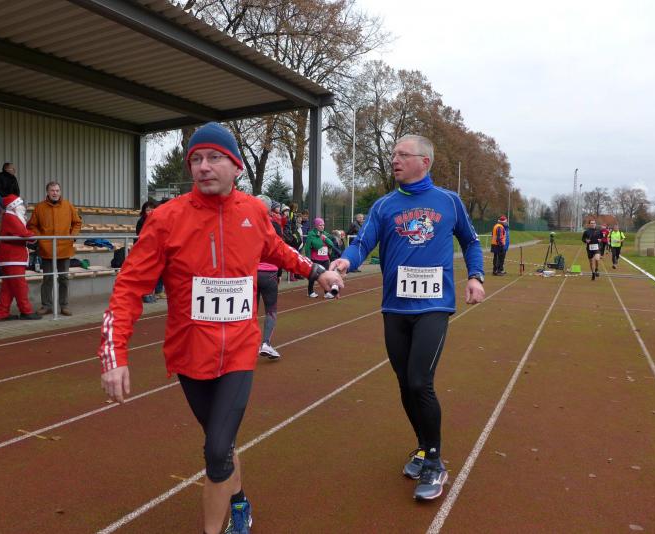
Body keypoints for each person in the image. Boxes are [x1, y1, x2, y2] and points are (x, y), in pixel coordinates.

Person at [97, 122, 343, 534]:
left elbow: (276, 249)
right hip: (190, 353)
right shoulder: (165, 219)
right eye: (195, 159)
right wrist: (114, 354)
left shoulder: (253, 211)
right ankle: (240, 501)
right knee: (222, 444)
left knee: (215, 451)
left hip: (240, 351)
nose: (203, 166)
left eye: (214, 157)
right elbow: (128, 288)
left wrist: (316, 271)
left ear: (237, 166)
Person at [330, 134, 485, 501]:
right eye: (393, 154)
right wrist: (346, 261)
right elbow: (362, 243)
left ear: (423, 162)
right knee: (404, 383)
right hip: (395, 307)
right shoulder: (384, 206)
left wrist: (476, 277)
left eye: (402, 154)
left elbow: (471, 241)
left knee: (420, 382)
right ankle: (422, 446)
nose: (394, 160)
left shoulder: (449, 201)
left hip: (433, 306)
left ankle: (435, 461)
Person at [27, 181, 82, 316]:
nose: (55, 193)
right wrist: (41, 239)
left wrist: (72, 236)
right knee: (47, 279)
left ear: (60, 192)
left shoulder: (68, 206)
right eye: (52, 190)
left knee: (64, 278)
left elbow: (77, 222)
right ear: (47, 192)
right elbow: (32, 225)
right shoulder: (39, 207)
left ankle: (64, 305)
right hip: (47, 249)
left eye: (57, 190)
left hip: (65, 248)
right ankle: (46, 305)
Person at [0, 195, 41, 321]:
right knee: (20, 286)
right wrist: (34, 237)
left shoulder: (10, 216)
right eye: (21, 205)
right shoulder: (11, 217)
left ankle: (2, 312)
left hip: (11, 257)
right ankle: (26, 311)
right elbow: (23, 233)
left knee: (8, 288)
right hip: (13, 257)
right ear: (14, 206)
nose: (24, 208)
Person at [255, 194, 283, 360]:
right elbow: (280, 251)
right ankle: (265, 343)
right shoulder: (275, 226)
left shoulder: (245, 223)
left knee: (248, 312)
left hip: (250, 274)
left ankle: (245, 344)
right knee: (271, 310)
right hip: (270, 273)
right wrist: (279, 273)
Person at [135, 200, 164, 303]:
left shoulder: (159, 220)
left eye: (152, 209)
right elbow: (140, 235)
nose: (150, 212)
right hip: (144, 250)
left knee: (159, 270)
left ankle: (158, 291)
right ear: (144, 211)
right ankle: (145, 293)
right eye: (147, 210)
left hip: (157, 249)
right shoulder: (141, 221)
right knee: (146, 272)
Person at [304, 217, 338, 298]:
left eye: (323, 225)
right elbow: (313, 246)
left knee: (326, 276)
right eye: (320, 225)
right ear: (316, 226)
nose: (322, 227)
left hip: (325, 259)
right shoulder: (311, 234)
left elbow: (331, 244)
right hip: (315, 259)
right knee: (312, 277)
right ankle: (310, 291)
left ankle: (326, 292)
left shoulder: (325, 234)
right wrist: (308, 259)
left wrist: (325, 238)